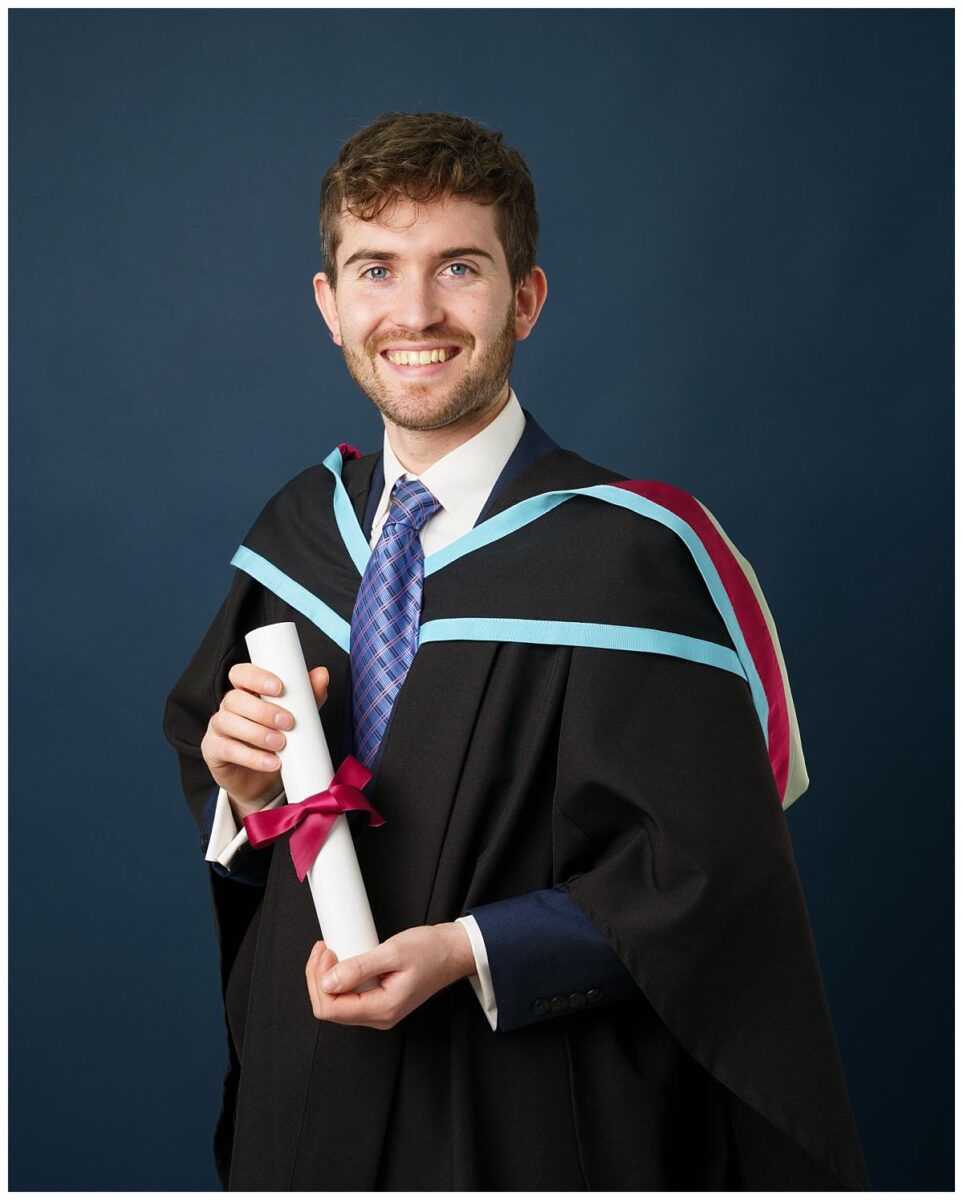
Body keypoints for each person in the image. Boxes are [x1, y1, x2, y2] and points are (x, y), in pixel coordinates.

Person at [164, 110, 869, 1191]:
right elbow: (251, 824)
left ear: (525, 298)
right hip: (303, 1093)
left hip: (528, 1114)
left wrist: (472, 951)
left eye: (459, 267)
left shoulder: (634, 559)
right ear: (329, 306)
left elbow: (712, 878)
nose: (415, 313)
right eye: (375, 270)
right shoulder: (298, 531)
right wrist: (247, 795)